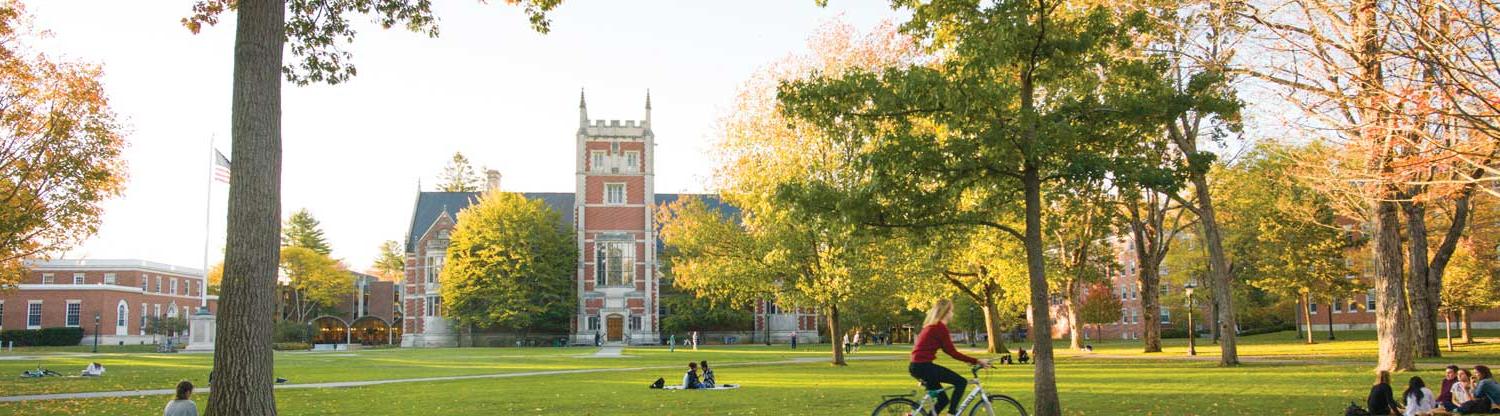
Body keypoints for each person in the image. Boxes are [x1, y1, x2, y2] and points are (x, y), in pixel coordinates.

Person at [909, 299, 989, 416]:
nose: (953, 313)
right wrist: (976, 360)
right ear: (946, 312)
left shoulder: (931, 326)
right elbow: (952, 352)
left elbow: (948, 351)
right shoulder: (939, 327)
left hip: (917, 366)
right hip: (924, 367)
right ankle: (951, 414)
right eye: (951, 310)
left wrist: (969, 360)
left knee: (943, 400)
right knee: (960, 382)